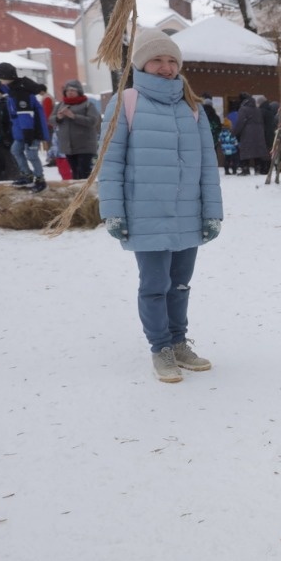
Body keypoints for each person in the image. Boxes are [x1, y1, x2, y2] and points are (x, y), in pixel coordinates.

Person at [97, 28, 223, 383]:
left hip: (187, 213)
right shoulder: (126, 102)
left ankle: (179, 341)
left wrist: (212, 211)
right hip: (145, 214)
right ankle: (160, 347)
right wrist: (113, 210)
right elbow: (110, 162)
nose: (166, 67)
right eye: (157, 59)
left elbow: (207, 167)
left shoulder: (192, 107)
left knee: (180, 284)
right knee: (154, 284)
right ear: (141, 63)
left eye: (172, 61)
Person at [0, 62, 50, 192]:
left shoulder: (20, 92)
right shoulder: (13, 89)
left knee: (31, 154)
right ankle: (27, 175)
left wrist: (28, 134)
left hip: (31, 130)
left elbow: (26, 115)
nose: (0, 81)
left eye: (0, 77)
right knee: (16, 150)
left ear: (6, 76)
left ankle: (40, 179)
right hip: (20, 131)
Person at [50, 80, 101, 180]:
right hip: (68, 147)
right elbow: (51, 120)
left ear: (79, 92)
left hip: (85, 146)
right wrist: (58, 118)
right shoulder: (60, 105)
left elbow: (93, 121)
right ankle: (78, 193)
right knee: (75, 172)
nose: (70, 92)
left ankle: (85, 193)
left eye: (73, 90)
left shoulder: (88, 105)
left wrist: (73, 116)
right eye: (68, 90)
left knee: (84, 172)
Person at [233, 91, 268, 175]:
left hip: (247, 133)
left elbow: (240, 122)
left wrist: (235, 132)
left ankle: (245, 169)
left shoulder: (243, 109)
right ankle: (257, 168)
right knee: (257, 150)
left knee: (246, 149)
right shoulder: (257, 109)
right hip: (259, 133)